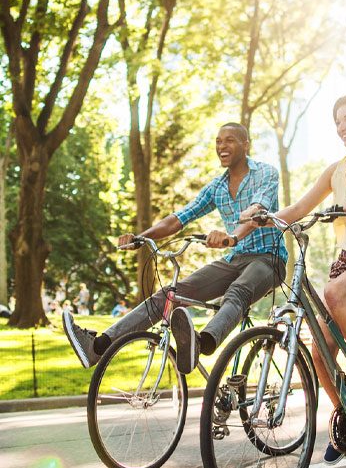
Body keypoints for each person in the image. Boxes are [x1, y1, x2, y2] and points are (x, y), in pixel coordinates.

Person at [241, 93, 346, 465]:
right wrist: (256, 220)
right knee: (319, 348)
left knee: (335, 290)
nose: (342, 127)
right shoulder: (336, 170)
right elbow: (300, 208)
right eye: (337, 122)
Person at [62, 122, 286, 373]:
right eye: (218, 141)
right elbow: (178, 219)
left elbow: (256, 211)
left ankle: (200, 343)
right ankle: (98, 346)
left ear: (246, 145)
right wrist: (140, 237)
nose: (222, 146)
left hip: (269, 259)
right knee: (170, 294)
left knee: (236, 292)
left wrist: (231, 237)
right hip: (234, 259)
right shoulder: (217, 187)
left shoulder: (265, 173)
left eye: (230, 140)